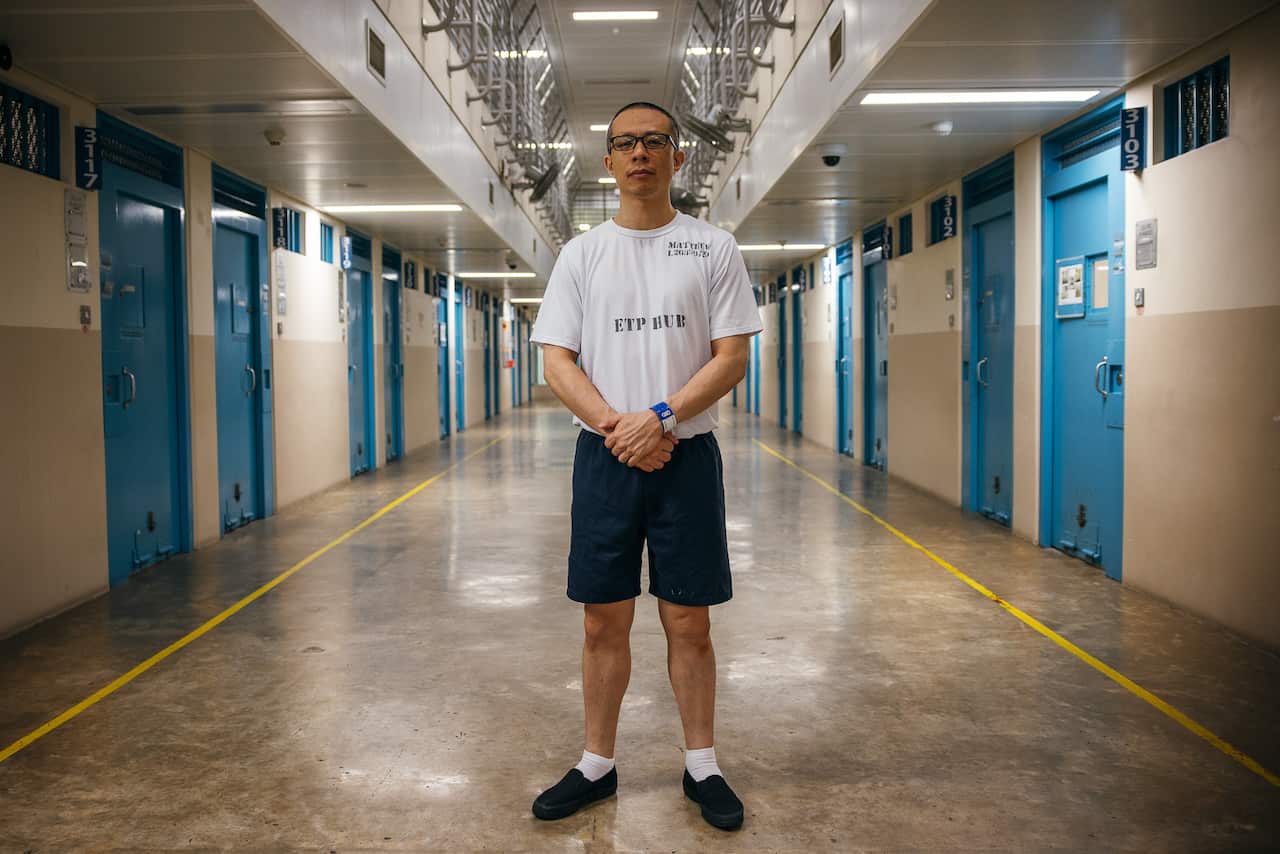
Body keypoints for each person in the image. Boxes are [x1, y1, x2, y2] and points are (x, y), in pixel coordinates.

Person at [528, 101, 763, 831]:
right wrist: (619, 428)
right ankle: (596, 765)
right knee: (603, 619)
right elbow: (557, 361)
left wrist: (659, 418)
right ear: (608, 162)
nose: (639, 153)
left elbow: (732, 356)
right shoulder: (581, 256)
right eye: (625, 143)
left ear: (676, 157)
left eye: (653, 141)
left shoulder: (713, 248)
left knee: (689, 619)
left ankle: (703, 765)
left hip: (685, 457)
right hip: (605, 458)